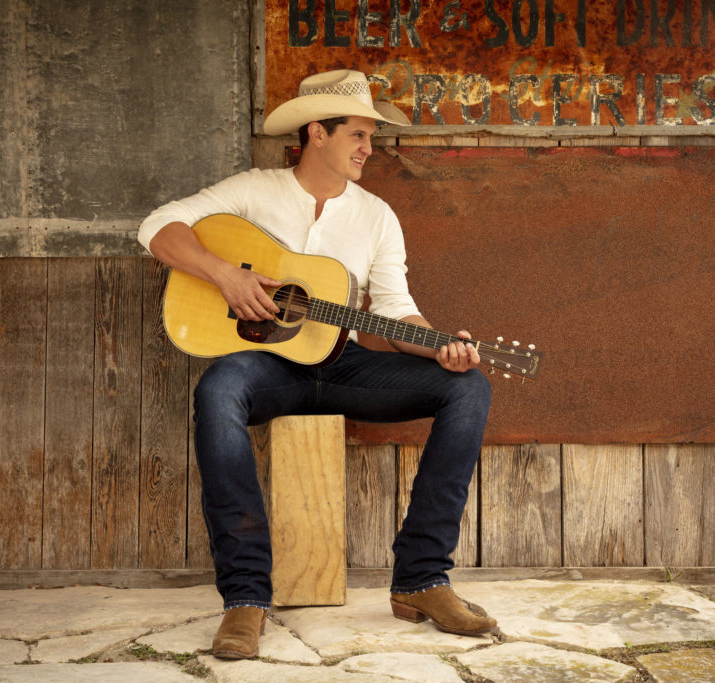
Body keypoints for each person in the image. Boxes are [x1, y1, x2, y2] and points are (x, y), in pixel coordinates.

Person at [138, 69, 496, 659]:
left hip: (346, 364)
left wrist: (439, 347)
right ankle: (246, 598)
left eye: (370, 138)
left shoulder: (376, 215)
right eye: (357, 134)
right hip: (266, 367)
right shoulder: (253, 190)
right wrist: (226, 275)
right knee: (217, 392)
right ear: (316, 134)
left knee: (468, 388)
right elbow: (157, 227)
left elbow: (398, 313)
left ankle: (422, 579)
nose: (367, 149)